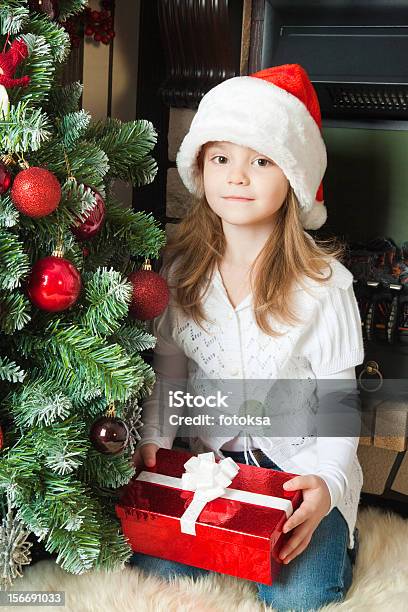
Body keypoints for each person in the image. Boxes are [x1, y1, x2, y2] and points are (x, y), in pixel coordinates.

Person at [130, 64, 364, 611]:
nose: (237, 177)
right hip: (211, 468)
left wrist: (327, 481)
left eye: (260, 161)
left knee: (303, 593)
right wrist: (156, 444)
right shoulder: (182, 270)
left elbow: (338, 404)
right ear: (200, 169)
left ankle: (334, 539)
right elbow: (170, 378)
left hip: (297, 471)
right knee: (152, 565)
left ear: (293, 177)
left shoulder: (324, 287)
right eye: (222, 159)